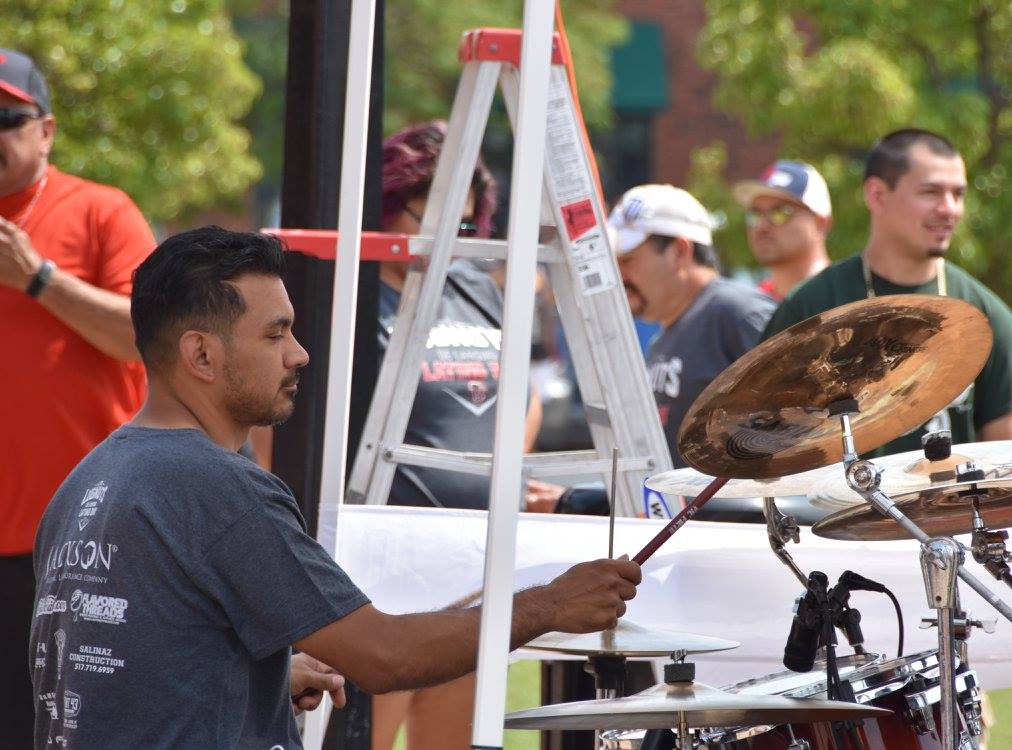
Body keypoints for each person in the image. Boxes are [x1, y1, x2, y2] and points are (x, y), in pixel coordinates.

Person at [28, 226, 641, 748]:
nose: (299, 354)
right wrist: (549, 605)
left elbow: (128, 660)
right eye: (275, 335)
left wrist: (262, 678)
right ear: (201, 355)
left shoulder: (91, 479)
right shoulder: (217, 486)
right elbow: (384, 655)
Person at [373, 120, 553, 749]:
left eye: (469, 223)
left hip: (473, 567)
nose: (452, 235)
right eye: (432, 214)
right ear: (391, 202)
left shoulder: (474, 285)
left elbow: (522, 394)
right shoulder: (350, 293)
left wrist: (505, 471)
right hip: (382, 572)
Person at [0, 48, 156, 746]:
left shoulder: (100, 211)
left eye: (7, 118)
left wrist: (38, 279)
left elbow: (144, 335)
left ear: (47, 130)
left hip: (80, 548)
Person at [761, 129, 1012, 454]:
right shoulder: (810, 307)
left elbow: (1008, 461)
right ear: (877, 195)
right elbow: (763, 444)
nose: (950, 209)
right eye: (931, 192)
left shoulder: (985, 313)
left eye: (958, 194)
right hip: (842, 505)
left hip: (951, 506)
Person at [608, 184, 776, 468]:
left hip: (731, 513)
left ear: (679, 252)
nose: (619, 274)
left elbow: (798, 429)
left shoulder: (738, 313)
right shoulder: (668, 332)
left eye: (627, 261)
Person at [734, 160, 832, 301]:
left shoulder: (849, 298)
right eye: (755, 214)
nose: (761, 226)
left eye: (780, 212)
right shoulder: (752, 305)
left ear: (820, 223)